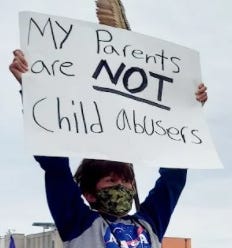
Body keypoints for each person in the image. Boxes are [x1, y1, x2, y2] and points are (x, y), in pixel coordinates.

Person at [9, 49, 208, 248]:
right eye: (111, 180)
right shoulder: (78, 222)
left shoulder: (151, 224)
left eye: (126, 181)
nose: (121, 186)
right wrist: (31, 89)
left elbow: (173, 179)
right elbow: (55, 165)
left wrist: (187, 110)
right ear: (89, 194)